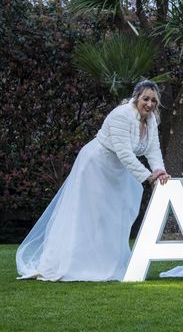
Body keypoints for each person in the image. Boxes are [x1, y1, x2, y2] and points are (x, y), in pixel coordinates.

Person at [16, 80, 170, 281]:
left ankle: (109, 264)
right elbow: (124, 153)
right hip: (96, 165)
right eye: (145, 99)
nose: (149, 104)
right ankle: (75, 264)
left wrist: (159, 171)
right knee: (91, 215)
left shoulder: (150, 121)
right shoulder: (121, 115)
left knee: (117, 215)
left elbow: (153, 150)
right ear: (136, 98)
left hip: (118, 170)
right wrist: (149, 177)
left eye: (153, 101)